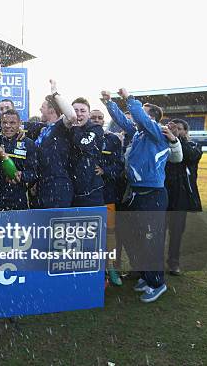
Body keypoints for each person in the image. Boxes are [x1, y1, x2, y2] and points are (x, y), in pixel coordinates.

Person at [102, 88, 182, 303]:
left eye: (143, 114)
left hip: (152, 195)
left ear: (151, 118)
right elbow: (123, 120)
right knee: (138, 240)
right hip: (138, 194)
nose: (135, 117)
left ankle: (158, 283)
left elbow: (137, 117)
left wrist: (129, 99)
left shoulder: (157, 133)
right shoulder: (139, 133)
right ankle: (147, 276)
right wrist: (109, 103)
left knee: (151, 241)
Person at [0, 109, 37, 211]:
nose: (8, 126)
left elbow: (33, 173)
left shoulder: (28, 143)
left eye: (12, 123)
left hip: (17, 201)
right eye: (4, 122)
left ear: (20, 124)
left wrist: (21, 176)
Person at [165, 119, 202, 275]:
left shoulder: (193, 146)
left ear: (186, 131)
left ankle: (173, 263)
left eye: (179, 128)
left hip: (181, 196)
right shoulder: (164, 144)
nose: (176, 131)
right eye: (172, 128)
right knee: (156, 231)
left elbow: (190, 156)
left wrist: (175, 139)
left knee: (176, 232)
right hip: (163, 193)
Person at [91, 109, 124, 286]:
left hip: (107, 196)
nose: (96, 120)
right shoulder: (82, 138)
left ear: (104, 120)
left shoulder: (112, 140)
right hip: (87, 196)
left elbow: (119, 166)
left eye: (100, 117)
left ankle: (111, 269)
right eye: (93, 117)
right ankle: (97, 273)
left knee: (109, 236)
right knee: (91, 237)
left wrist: (105, 171)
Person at [33, 80, 77, 208]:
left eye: (43, 107)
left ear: (51, 110)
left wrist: (55, 94)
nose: (40, 109)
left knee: (56, 225)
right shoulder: (44, 130)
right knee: (43, 226)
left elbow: (72, 116)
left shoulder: (60, 126)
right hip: (43, 184)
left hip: (58, 185)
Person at [69, 98, 105, 207]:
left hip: (91, 192)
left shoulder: (96, 128)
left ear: (88, 114)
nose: (79, 114)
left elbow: (84, 144)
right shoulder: (64, 128)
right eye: (75, 111)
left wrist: (75, 126)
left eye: (83, 111)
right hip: (69, 190)